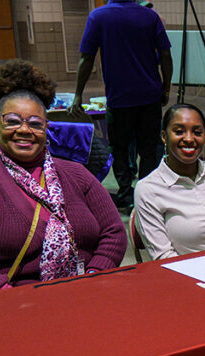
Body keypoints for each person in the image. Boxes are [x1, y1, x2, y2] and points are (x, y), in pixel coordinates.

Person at [0, 60, 127, 298]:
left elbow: (113, 232)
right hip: (5, 302)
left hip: (82, 294)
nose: (24, 130)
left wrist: (94, 275)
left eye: (35, 124)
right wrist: (5, 294)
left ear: (47, 128)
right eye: (13, 121)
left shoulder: (77, 175)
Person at [69, 0, 173, 210]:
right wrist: (166, 88)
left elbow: (86, 58)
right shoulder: (149, 16)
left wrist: (78, 94)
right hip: (149, 96)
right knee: (149, 149)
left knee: (119, 148)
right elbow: (165, 54)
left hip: (119, 98)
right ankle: (147, 194)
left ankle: (126, 192)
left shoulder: (99, 16)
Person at [134, 103, 205, 259]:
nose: (189, 139)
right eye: (179, 132)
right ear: (164, 137)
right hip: (184, 272)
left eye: (197, 132)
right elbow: (163, 256)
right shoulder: (149, 190)